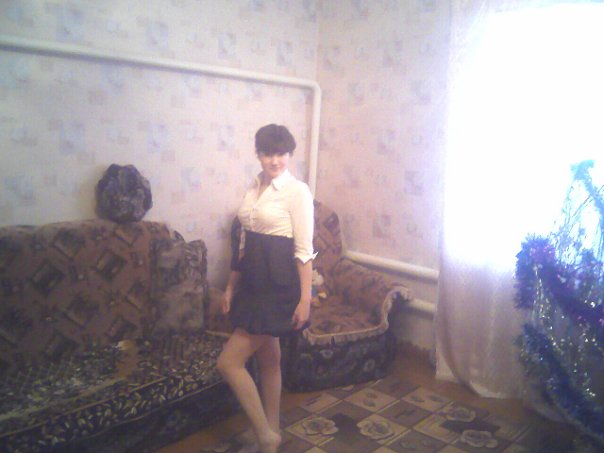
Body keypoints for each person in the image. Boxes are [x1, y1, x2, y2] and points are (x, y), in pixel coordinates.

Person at [216, 124, 315, 453]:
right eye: (268, 153)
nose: (275, 160)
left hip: (278, 287)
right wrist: (230, 287)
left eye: (282, 153)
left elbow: (304, 251)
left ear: (289, 154)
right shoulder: (255, 185)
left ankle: (264, 435)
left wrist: (305, 300)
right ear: (258, 154)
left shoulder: (297, 192)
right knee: (270, 359)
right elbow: (243, 244)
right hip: (253, 282)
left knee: (228, 363)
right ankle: (272, 429)